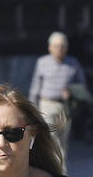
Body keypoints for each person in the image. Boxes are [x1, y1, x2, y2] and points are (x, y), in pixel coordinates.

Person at [28, 32, 86, 169]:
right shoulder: (42, 62)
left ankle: (60, 172)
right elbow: (35, 87)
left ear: (66, 48)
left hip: (65, 106)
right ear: (50, 48)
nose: (59, 49)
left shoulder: (73, 63)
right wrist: (30, 110)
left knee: (63, 142)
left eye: (62, 46)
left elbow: (82, 84)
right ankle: (55, 169)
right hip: (47, 105)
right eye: (56, 46)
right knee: (52, 139)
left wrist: (71, 91)